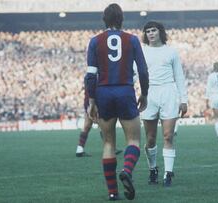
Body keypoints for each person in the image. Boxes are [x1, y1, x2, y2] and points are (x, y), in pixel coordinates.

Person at [85, 3, 149, 201]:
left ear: (104, 19)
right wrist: (144, 94)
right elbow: (144, 71)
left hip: (103, 93)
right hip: (125, 91)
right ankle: (127, 170)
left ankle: (113, 192)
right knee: (134, 140)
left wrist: (91, 100)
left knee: (108, 143)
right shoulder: (132, 40)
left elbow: (90, 76)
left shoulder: (95, 41)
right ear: (122, 19)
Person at [140, 21, 188, 187]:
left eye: (154, 30)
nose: (151, 34)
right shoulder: (142, 52)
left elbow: (179, 77)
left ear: (160, 32)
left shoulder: (171, 52)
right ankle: (153, 168)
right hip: (149, 94)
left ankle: (168, 173)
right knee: (150, 138)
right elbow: (133, 74)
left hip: (168, 93)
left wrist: (184, 100)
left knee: (168, 136)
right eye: (148, 31)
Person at [75, 88, 122, 157]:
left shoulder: (88, 77)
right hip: (95, 102)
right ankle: (110, 148)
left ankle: (79, 149)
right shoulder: (95, 77)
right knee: (102, 125)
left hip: (89, 101)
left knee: (87, 125)